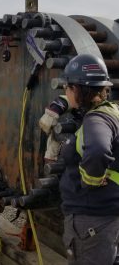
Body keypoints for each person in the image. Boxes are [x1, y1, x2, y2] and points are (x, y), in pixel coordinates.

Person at [59, 53, 119, 265]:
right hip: (107, 213)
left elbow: (98, 150)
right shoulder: (112, 111)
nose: (65, 92)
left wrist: (90, 180)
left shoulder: (96, 119)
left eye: (67, 87)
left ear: (78, 88)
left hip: (91, 218)